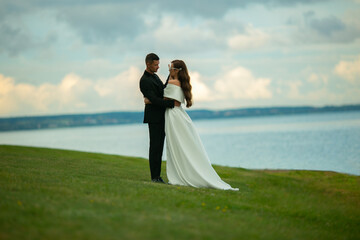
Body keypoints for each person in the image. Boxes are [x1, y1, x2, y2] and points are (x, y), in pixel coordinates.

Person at [145, 59, 238, 191]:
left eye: (170, 68)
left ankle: (181, 174)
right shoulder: (181, 82)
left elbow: (161, 97)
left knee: (176, 146)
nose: (169, 70)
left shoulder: (172, 82)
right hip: (177, 115)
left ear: (176, 70)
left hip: (173, 116)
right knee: (181, 145)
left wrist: (148, 100)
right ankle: (184, 171)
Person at [139, 53, 180, 183]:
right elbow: (155, 100)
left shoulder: (155, 77)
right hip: (154, 118)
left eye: (158, 64)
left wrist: (171, 74)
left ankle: (158, 176)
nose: (158, 67)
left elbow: (163, 90)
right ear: (148, 64)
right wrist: (171, 104)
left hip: (162, 116)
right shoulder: (144, 80)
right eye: (156, 65)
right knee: (155, 148)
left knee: (160, 147)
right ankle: (155, 177)